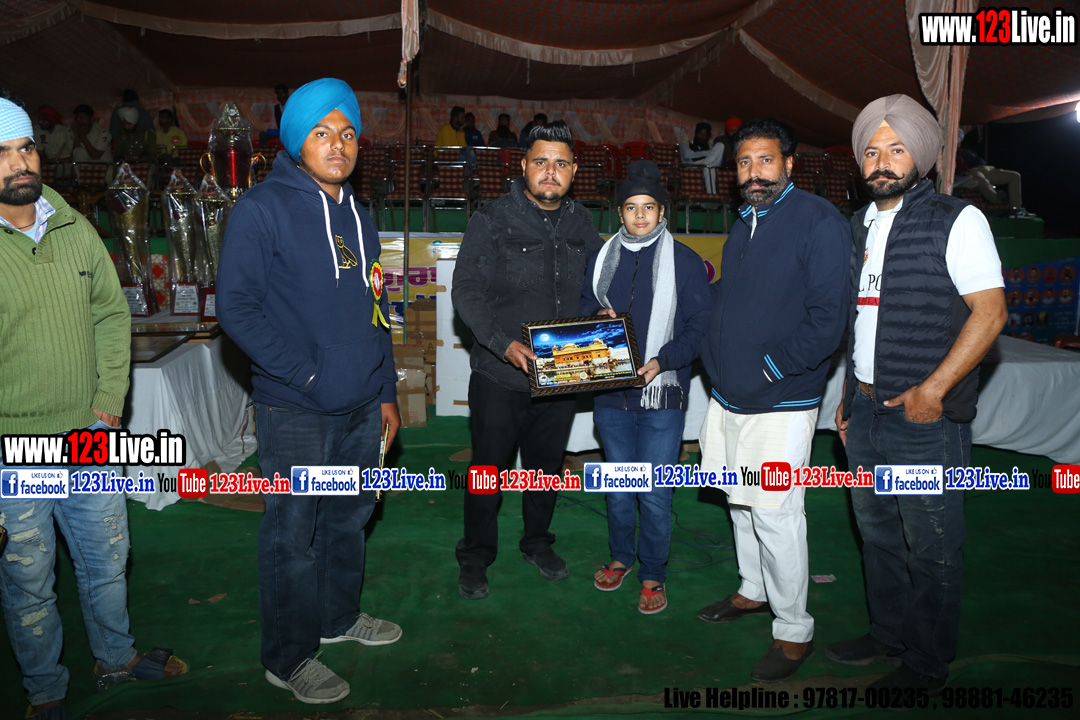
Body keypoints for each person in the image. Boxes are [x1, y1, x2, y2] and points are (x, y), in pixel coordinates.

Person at [216, 77, 402, 705]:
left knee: (349, 519)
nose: (338, 144)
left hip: (361, 408)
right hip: (296, 408)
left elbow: (377, 310)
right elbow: (237, 310)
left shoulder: (360, 217)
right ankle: (289, 656)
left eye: (347, 133)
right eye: (323, 132)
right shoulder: (261, 210)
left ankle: (337, 617)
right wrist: (308, 375)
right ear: (298, 141)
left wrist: (385, 390)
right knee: (292, 535)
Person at [0, 97, 186, 720]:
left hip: (86, 436)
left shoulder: (74, 227)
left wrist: (109, 401)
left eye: (26, 147)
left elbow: (110, 313)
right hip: (12, 448)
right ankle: (45, 689)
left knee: (107, 556)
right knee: (28, 579)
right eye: (2, 153)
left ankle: (116, 658)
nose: (19, 163)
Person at [830, 94, 1007, 694]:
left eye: (897, 149)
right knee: (877, 533)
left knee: (932, 546)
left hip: (923, 420)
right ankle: (888, 633)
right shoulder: (858, 225)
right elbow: (861, 320)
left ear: (923, 156)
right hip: (865, 410)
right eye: (871, 151)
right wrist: (850, 394)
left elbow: (990, 313)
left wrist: (933, 391)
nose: (881, 161)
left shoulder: (958, 220)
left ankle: (927, 662)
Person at [696, 118, 850, 683]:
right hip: (729, 395)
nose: (753, 172)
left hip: (780, 400)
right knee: (740, 503)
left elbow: (828, 320)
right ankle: (753, 589)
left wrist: (769, 368)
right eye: (743, 162)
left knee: (776, 514)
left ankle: (793, 630)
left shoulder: (819, 221)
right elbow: (734, 299)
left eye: (764, 160)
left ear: (789, 163)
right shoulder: (746, 222)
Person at [452, 121, 602, 600]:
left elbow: (597, 285)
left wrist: (602, 311)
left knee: (544, 469)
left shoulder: (583, 223)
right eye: (541, 162)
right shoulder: (492, 219)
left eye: (560, 163)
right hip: (500, 374)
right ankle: (476, 555)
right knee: (487, 471)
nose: (550, 171)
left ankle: (537, 542)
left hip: (560, 373)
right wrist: (502, 344)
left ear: (573, 170)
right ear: (523, 166)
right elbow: (466, 291)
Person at [580, 161, 711, 614]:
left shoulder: (685, 262)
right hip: (610, 393)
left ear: (662, 212)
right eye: (631, 207)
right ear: (619, 212)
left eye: (648, 207)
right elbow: (584, 306)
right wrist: (594, 319)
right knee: (619, 487)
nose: (640, 215)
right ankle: (621, 557)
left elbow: (699, 329)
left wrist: (662, 362)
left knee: (654, 491)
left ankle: (653, 572)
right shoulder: (601, 258)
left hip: (662, 395)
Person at [953, 128, 1029, 215]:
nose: (958, 139)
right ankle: (997, 199)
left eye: (959, 137)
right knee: (979, 176)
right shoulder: (952, 153)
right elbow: (959, 169)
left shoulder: (967, 150)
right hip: (971, 172)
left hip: (986, 169)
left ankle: (1017, 209)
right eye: (956, 136)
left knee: (1015, 176)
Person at [678, 121, 726, 194]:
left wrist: (707, 155)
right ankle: (712, 194)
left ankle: (705, 164)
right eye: (700, 133)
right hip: (692, 166)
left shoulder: (710, 146)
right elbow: (687, 155)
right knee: (709, 168)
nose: (702, 137)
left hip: (707, 166)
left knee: (720, 145)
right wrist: (709, 152)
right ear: (696, 133)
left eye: (705, 135)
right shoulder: (685, 143)